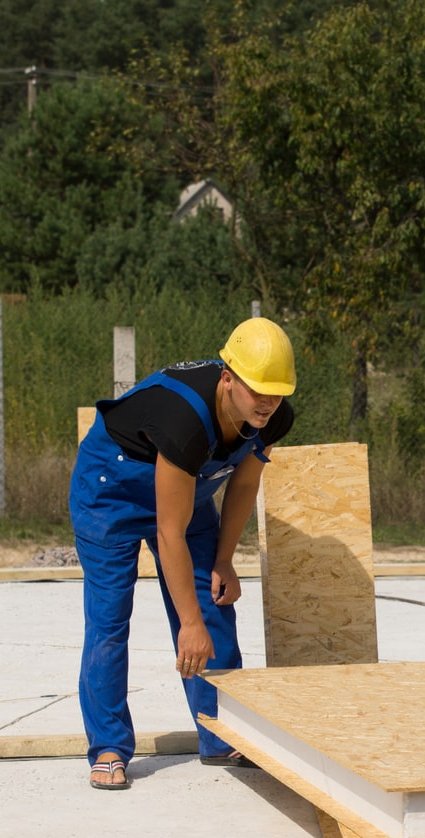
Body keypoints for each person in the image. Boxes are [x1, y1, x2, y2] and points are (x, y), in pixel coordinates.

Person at [69, 317, 296, 791]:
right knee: (110, 619)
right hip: (110, 491)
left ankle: (222, 733)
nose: (268, 403)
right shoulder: (184, 419)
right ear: (228, 379)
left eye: (277, 392)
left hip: (185, 493)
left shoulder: (273, 416)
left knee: (213, 602)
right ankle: (109, 746)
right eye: (258, 391)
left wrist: (224, 560)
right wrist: (186, 626)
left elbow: (244, 484)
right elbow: (168, 533)